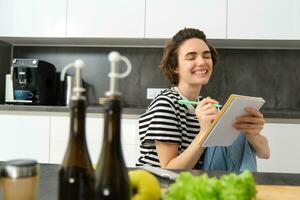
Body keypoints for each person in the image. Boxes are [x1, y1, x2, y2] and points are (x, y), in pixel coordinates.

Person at [136, 28, 270, 170]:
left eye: (206, 56)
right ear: (175, 66)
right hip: (162, 183)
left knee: (238, 127)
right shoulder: (165, 104)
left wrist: (252, 134)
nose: (202, 62)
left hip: (196, 181)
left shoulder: (205, 106)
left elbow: (265, 153)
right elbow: (169, 170)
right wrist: (205, 133)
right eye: (191, 57)